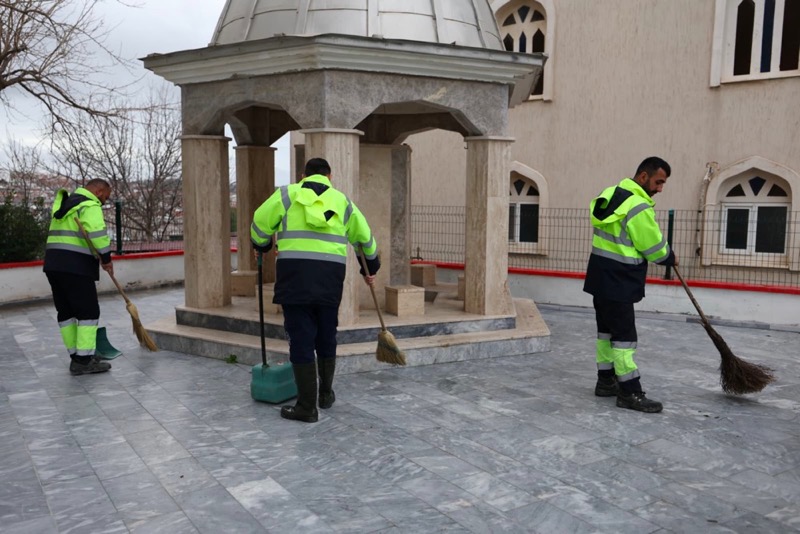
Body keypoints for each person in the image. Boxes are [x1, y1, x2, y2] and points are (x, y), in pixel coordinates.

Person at [250, 157, 380, 423]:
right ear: (329, 177)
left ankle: (307, 407)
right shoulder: (343, 202)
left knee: (301, 339)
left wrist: (262, 245)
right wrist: (370, 267)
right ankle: (326, 395)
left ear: (303, 176)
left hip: (295, 279)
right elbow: (365, 238)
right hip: (329, 281)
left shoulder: (287, 195)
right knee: (326, 335)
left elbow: (259, 223)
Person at [583, 157, 678, 413]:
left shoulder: (609, 194)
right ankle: (629, 391)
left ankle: (605, 381)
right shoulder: (638, 206)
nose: (660, 188)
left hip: (600, 277)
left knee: (605, 333)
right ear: (643, 176)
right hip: (620, 281)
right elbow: (653, 248)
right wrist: (669, 257)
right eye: (658, 182)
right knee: (624, 338)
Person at [43, 178, 114, 376]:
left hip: (53, 265)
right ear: (99, 191)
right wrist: (106, 258)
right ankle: (84, 361)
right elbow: (97, 233)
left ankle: (77, 356)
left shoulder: (64, 205)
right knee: (88, 312)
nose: (105, 202)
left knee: (66, 312)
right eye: (106, 197)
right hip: (76, 266)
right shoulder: (89, 205)